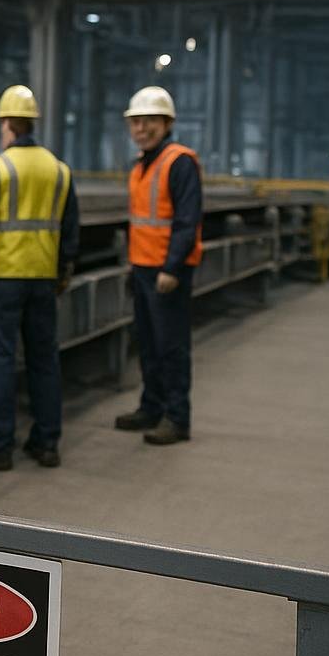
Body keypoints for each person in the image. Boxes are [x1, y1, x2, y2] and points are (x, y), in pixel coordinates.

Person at [0, 85, 80, 471]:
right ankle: (46, 443)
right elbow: (70, 231)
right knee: (44, 360)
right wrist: (63, 271)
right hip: (44, 279)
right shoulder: (60, 171)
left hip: (5, 279)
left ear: (7, 123)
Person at [113, 85, 203, 446]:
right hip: (144, 268)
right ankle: (151, 407)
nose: (141, 128)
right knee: (149, 344)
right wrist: (137, 268)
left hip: (168, 272)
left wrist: (172, 268)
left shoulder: (179, 162)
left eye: (150, 120)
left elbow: (187, 220)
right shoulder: (141, 165)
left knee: (172, 346)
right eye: (136, 121)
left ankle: (177, 418)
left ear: (167, 123)